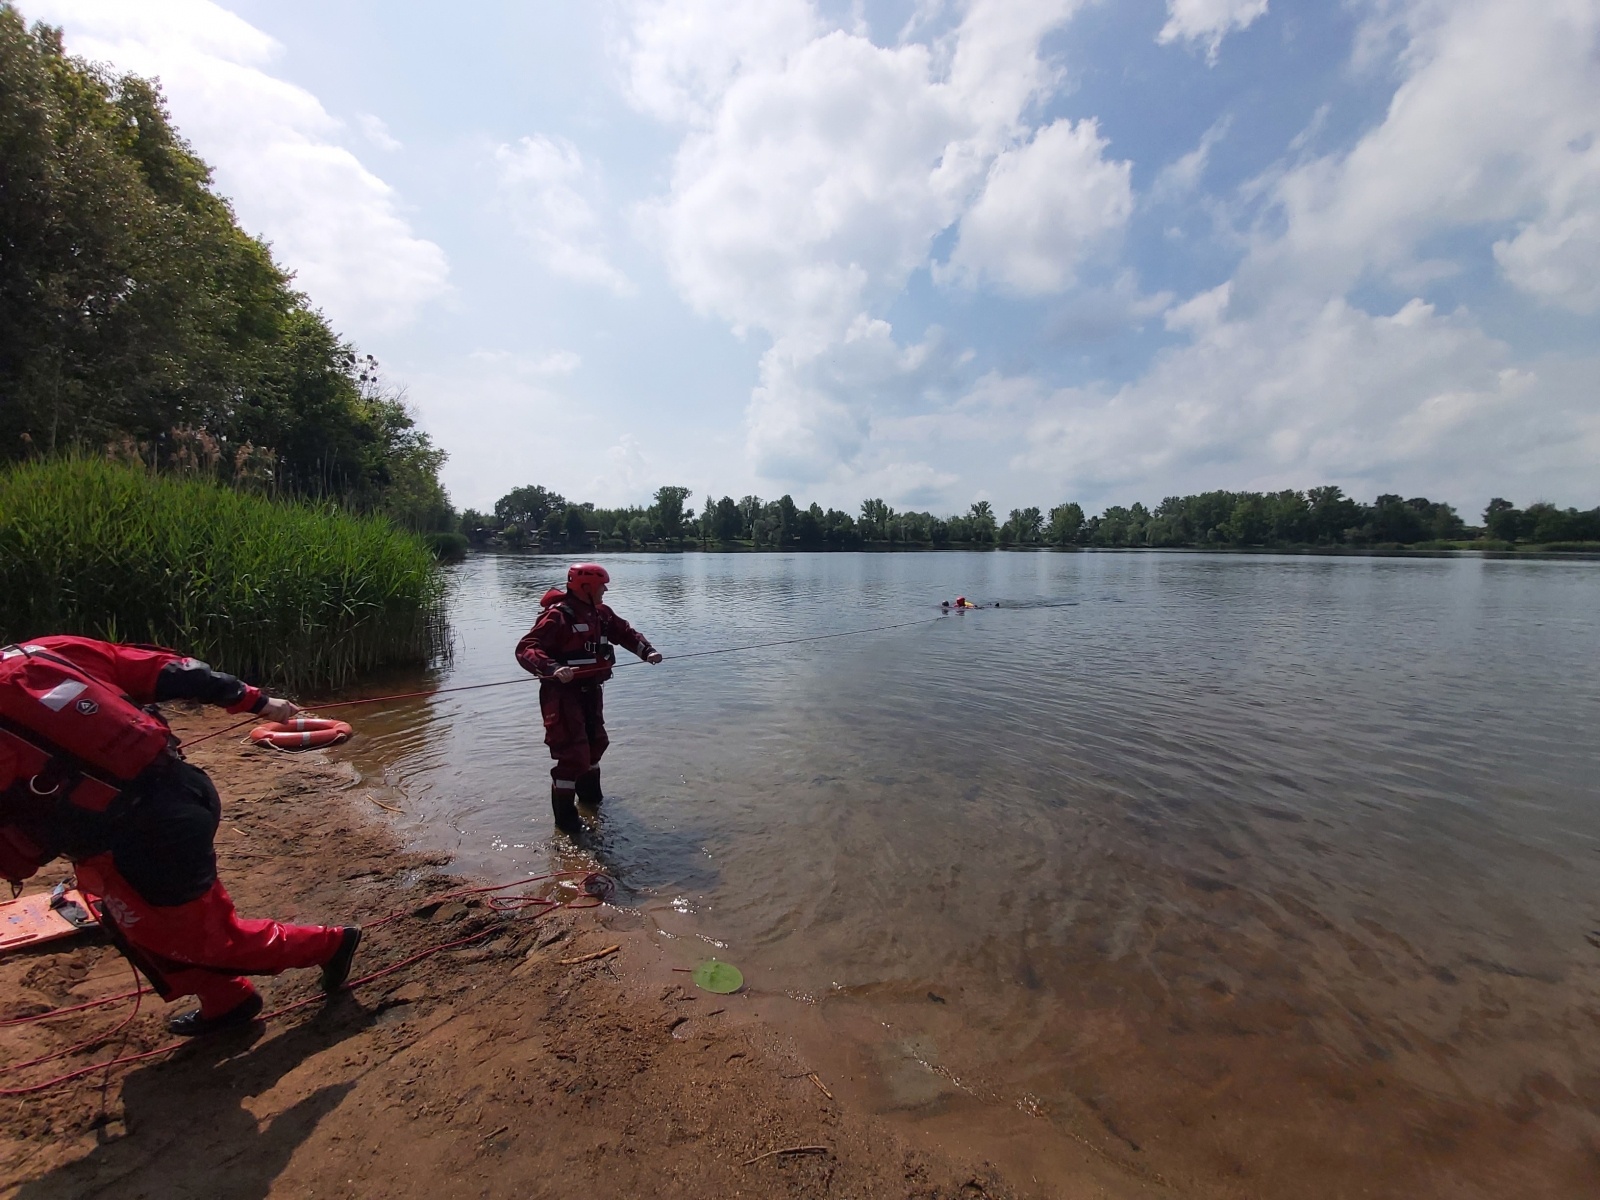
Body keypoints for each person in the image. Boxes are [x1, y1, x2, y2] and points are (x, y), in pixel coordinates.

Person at [0, 637, 361, 1036]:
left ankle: (329, 945)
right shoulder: (39, 652)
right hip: (172, 796)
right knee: (125, 918)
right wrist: (255, 700)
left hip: (151, 828)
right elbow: (166, 668)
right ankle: (226, 999)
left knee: (205, 938)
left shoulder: (36, 662)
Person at [514, 563, 662, 837]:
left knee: (596, 745)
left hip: (592, 691)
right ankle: (567, 824)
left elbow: (625, 633)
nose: (605, 590)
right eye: (601, 586)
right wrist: (553, 668)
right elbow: (526, 649)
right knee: (573, 755)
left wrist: (647, 651)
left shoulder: (601, 614)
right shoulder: (558, 617)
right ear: (585, 587)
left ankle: (592, 803)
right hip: (562, 695)